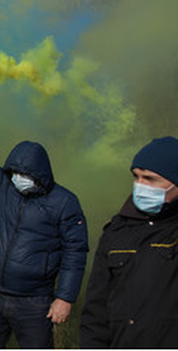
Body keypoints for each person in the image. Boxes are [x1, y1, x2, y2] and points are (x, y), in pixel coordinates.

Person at [0, 93, 88, 349]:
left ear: (41, 175)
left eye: (25, 174)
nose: (19, 178)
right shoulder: (5, 184)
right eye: (15, 172)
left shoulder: (64, 202)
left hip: (34, 302)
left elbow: (75, 252)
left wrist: (65, 298)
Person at [80, 136, 178, 348]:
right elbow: (95, 311)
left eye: (150, 179)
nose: (140, 186)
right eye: (136, 177)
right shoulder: (116, 232)